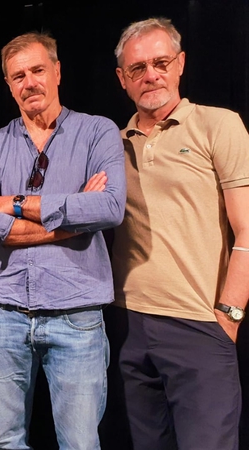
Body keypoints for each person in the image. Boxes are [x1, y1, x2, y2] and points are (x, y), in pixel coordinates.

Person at [0, 32, 126, 450]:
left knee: (79, 443)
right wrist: (73, 219)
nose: (29, 82)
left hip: (76, 315)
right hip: (1, 315)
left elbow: (109, 207)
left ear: (57, 71)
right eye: (18, 76)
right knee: (3, 440)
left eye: (37, 70)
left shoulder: (97, 132)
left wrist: (14, 203)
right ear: (8, 85)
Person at [108, 17, 249, 450]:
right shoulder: (113, 144)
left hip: (200, 324)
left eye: (161, 62)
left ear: (181, 63)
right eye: (137, 68)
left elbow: (247, 229)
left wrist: (229, 316)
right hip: (130, 325)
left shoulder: (217, 124)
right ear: (122, 79)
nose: (150, 75)